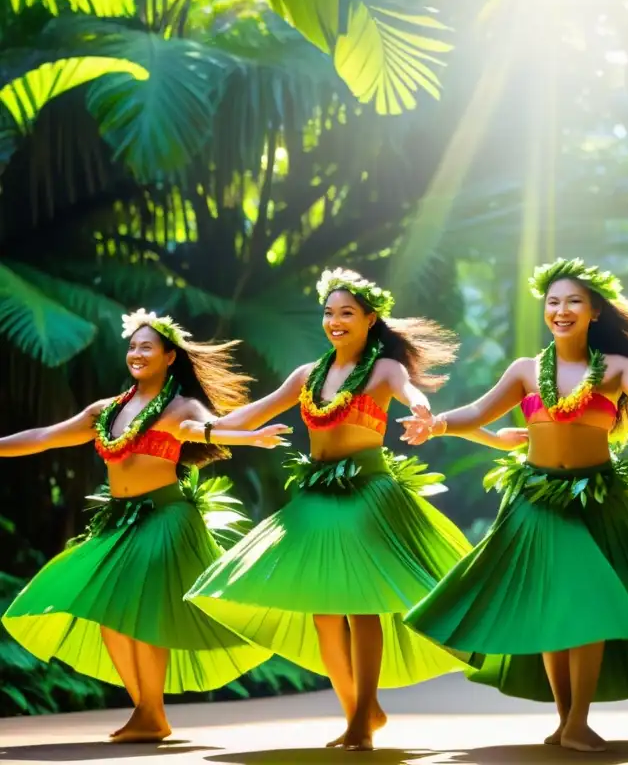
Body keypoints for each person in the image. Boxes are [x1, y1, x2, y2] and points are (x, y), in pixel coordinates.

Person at [399, 258, 628, 753]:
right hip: (536, 500)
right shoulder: (526, 370)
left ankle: (578, 720)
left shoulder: (616, 368)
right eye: (553, 302)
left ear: (595, 311)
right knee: (558, 609)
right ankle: (565, 720)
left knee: (588, 605)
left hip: (594, 500)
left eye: (573, 301)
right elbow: (478, 411)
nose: (561, 310)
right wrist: (438, 423)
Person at [183, 268, 520, 751]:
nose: (335, 321)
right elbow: (254, 412)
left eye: (347, 313)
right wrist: (212, 430)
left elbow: (409, 390)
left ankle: (362, 716)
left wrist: (422, 409)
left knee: (362, 608)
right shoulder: (308, 375)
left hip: (366, 493)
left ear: (369, 319)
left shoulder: (384, 369)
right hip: (317, 496)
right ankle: (358, 710)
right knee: (323, 614)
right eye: (329, 312)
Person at [1, 310, 289, 742]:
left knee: (142, 615)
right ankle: (148, 712)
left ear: (170, 357)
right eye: (132, 346)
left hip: (166, 517)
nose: (136, 353)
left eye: (147, 347)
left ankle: (150, 712)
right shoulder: (106, 411)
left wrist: (250, 437)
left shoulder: (179, 407)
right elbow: (45, 436)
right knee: (106, 614)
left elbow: (206, 428)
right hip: (119, 521)